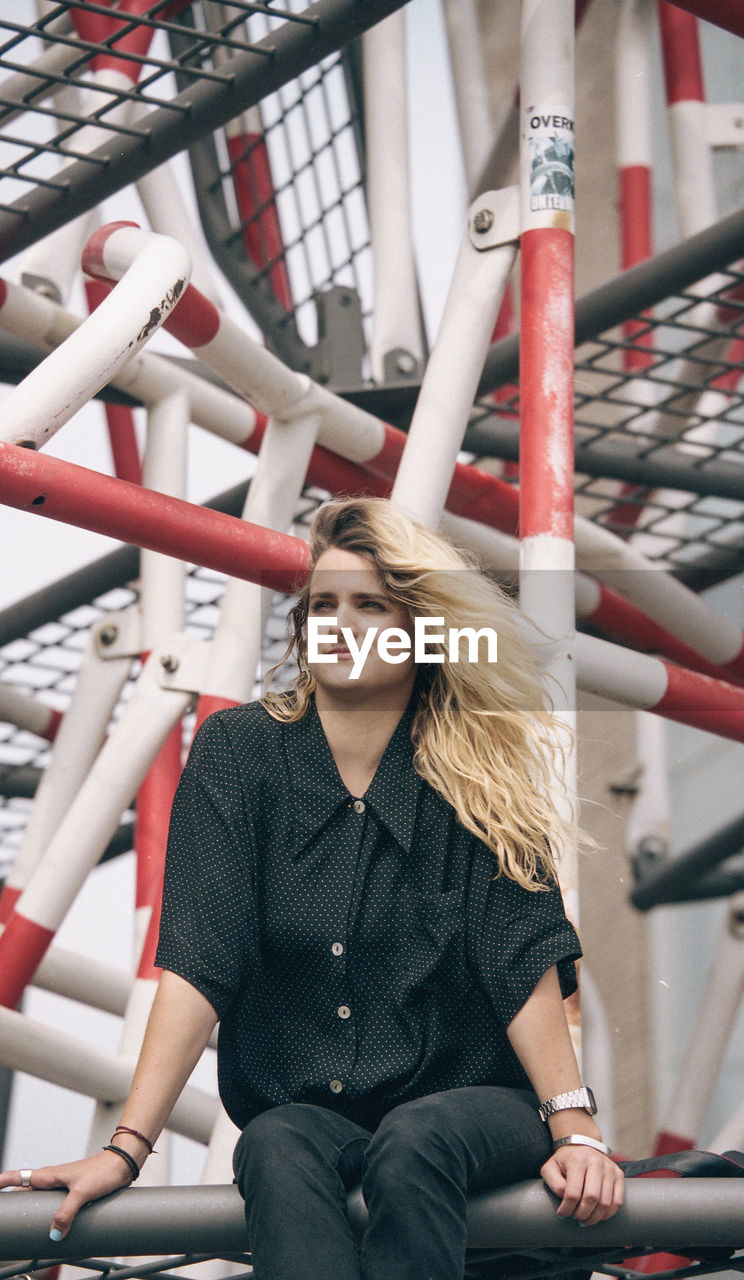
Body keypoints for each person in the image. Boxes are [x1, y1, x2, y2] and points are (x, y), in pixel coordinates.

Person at [0, 497, 624, 1278]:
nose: (340, 622)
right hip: (308, 1111)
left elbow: (519, 960)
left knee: (416, 1141)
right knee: (274, 1141)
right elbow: (200, 961)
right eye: (323, 604)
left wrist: (577, 1131)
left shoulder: (478, 772)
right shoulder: (237, 757)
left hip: (471, 1105)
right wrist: (126, 1151)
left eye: (371, 604)